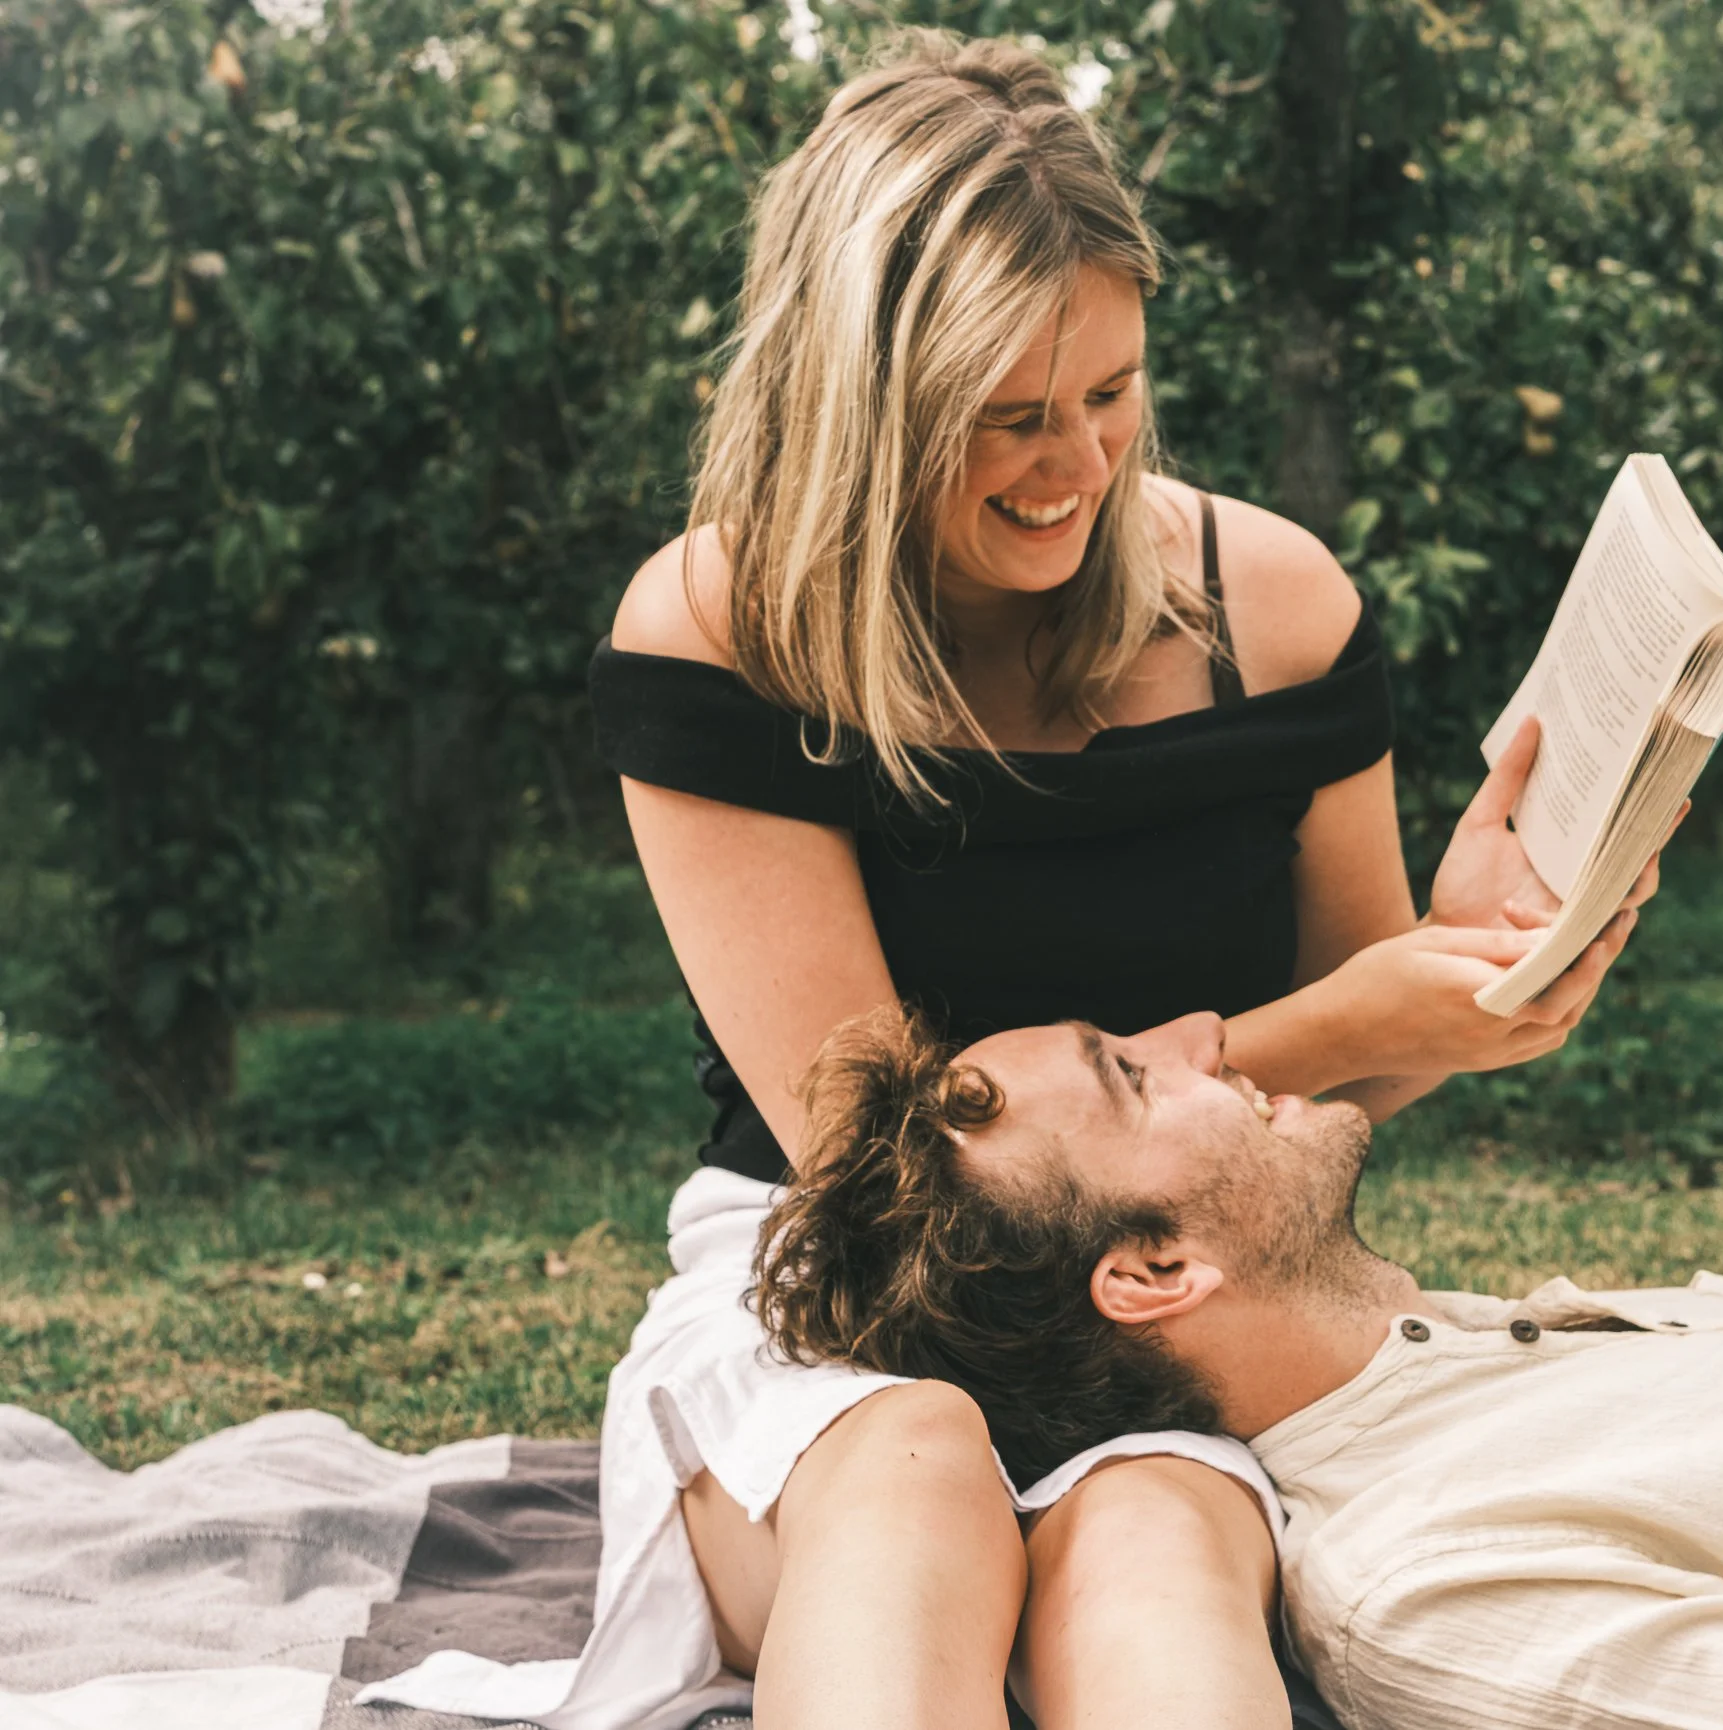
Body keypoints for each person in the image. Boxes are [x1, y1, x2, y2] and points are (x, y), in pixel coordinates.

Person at [557, 28, 1662, 1730]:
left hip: (1163, 1288)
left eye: (1111, 393)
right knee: (910, 1460)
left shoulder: (1274, 611)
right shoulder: (724, 630)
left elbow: (1355, 1078)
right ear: (864, 406)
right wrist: (1335, 1022)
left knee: (1153, 1521)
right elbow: (884, 1155)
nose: (1074, 465)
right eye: (1005, 417)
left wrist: (1473, 969)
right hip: (832, 1274)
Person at [753, 1005, 1723, 1730]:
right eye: (1133, 1072)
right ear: (1155, 1271)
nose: (1199, 1040)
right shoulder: (1422, 1584)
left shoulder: (1491, 1347)